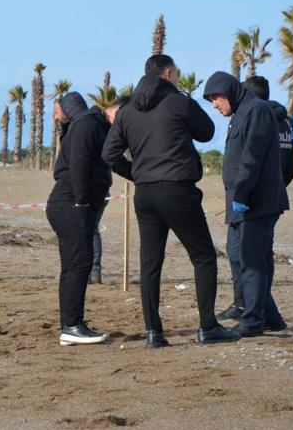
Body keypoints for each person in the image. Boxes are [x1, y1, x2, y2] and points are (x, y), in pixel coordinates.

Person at [102, 54, 239, 347]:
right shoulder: (178, 102)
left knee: (150, 263)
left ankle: (154, 332)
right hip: (177, 189)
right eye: (175, 74)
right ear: (167, 74)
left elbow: (109, 154)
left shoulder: (127, 111)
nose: (177, 78)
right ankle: (208, 326)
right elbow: (207, 132)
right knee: (203, 257)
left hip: (145, 194)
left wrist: (137, 174)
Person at [204, 72, 289, 336]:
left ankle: (252, 321)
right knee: (240, 256)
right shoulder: (240, 113)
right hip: (240, 203)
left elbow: (252, 156)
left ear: (228, 91)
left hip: (255, 202)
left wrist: (241, 195)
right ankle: (271, 317)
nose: (214, 104)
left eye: (215, 98)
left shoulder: (257, 110)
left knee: (252, 261)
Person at [46, 92, 125, 345]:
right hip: (70, 203)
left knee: (74, 265)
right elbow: (80, 163)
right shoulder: (88, 124)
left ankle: (70, 325)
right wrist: (82, 203)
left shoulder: (95, 127)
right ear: (119, 112)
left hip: (73, 204)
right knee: (79, 264)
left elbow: (111, 161)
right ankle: (71, 325)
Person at [88, 95, 130, 285]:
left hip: (98, 188)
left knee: (91, 229)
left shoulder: (107, 130)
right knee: (90, 229)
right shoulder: (100, 127)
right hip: (99, 186)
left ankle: (94, 271)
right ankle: (92, 271)